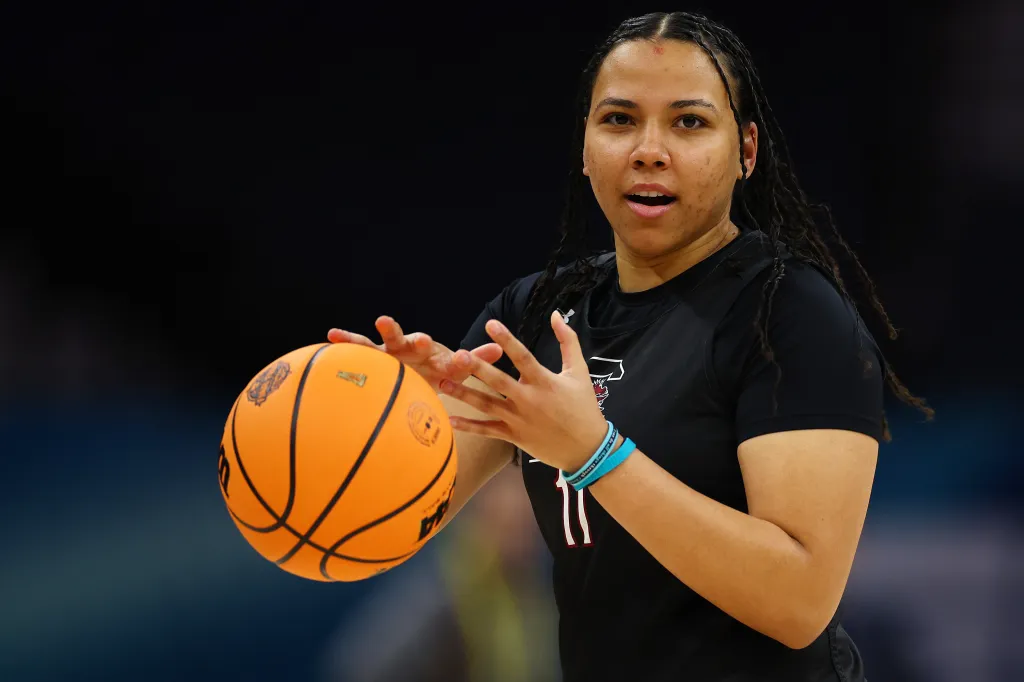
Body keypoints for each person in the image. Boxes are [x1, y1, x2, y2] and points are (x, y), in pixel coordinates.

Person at [328, 11, 932, 682]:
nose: (649, 149)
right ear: (585, 150)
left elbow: (798, 603)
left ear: (747, 152)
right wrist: (380, 423)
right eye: (618, 120)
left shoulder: (791, 314)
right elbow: (368, 529)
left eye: (689, 122)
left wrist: (594, 454)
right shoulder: (533, 315)